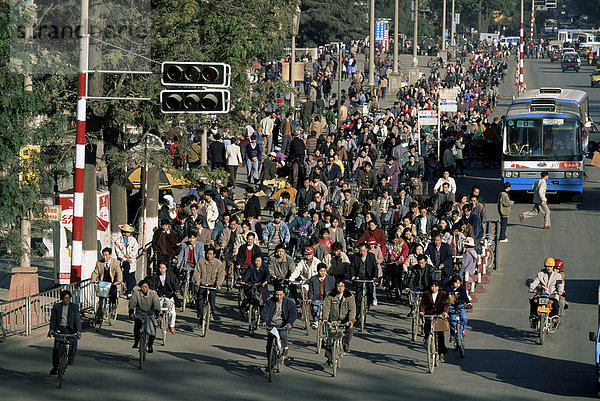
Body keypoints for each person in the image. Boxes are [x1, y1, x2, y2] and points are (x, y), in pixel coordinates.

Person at [261, 284, 297, 372]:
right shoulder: (270, 302)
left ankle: (285, 348)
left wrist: (289, 323)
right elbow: (265, 312)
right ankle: (270, 363)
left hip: (283, 324)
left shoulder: (289, 302)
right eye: (277, 294)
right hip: (272, 324)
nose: (278, 297)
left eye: (280, 294)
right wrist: (264, 321)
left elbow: (293, 314)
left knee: (283, 334)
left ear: (284, 294)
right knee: (269, 345)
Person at [322, 279, 356, 364]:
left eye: (342, 286)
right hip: (333, 320)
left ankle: (345, 344)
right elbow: (326, 308)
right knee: (330, 339)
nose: (340, 288)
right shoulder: (330, 295)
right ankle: (329, 358)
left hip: (344, 320)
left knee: (350, 329)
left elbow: (352, 309)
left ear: (344, 287)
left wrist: (351, 320)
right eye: (338, 286)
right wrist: (325, 319)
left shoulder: (349, 296)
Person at [48, 290, 81, 374]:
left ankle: (71, 358)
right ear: (62, 299)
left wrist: (78, 331)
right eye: (66, 298)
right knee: (56, 348)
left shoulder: (74, 307)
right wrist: (51, 329)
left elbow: (77, 320)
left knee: (74, 342)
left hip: (70, 329)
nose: (67, 300)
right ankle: (55, 367)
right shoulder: (57, 306)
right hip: (60, 328)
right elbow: (53, 319)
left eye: (69, 298)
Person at [419, 280, 449, 362]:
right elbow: (423, 304)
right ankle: (426, 338)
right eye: (432, 286)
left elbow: (446, 304)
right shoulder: (426, 294)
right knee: (427, 326)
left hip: (439, 316)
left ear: (438, 287)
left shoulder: (443, 294)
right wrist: (421, 311)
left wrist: (445, 312)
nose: (433, 288)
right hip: (429, 315)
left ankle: (441, 353)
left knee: (440, 335)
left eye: (435, 286)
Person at [194, 247, 226, 322]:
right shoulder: (201, 262)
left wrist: (218, 284)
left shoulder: (218, 264)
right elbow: (197, 272)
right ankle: (201, 316)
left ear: (214, 255)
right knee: (200, 301)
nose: (209, 256)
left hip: (212, 285)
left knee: (212, 300)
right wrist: (197, 281)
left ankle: (212, 311)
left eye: (211, 254)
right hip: (202, 284)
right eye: (207, 254)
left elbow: (221, 275)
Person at [147, 262, 180, 334]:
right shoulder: (155, 277)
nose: (161, 270)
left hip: (169, 295)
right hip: (159, 295)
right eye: (160, 268)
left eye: (163, 268)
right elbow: (152, 285)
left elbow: (175, 283)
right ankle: (158, 320)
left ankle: (172, 326)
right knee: (155, 308)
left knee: (172, 312)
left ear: (166, 268)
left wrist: (176, 290)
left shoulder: (171, 276)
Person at [128, 279, 160, 353]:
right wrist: (131, 310)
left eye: (146, 287)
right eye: (142, 287)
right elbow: (132, 302)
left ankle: (150, 345)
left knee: (152, 332)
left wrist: (157, 311)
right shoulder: (136, 293)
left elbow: (156, 303)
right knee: (136, 328)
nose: (144, 288)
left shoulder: (153, 294)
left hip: (150, 314)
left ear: (148, 287)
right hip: (139, 314)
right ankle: (136, 341)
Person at [350, 243, 377, 318]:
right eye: (360, 251)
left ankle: (369, 303)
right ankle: (357, 314)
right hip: (359, 277)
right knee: (358, 296)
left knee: (370, 291)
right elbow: (352, 267)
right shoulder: (355, 257)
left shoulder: (371, 256)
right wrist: (352, 276)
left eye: (364, 251)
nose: (362, 253)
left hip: (368, 277)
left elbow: (375, 267)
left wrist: (375, 277)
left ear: (367, 250)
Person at [112, 224, 139, 298]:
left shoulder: (133, 240)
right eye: (128, 232)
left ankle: (129, 292)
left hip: (132, 260)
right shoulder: (118, 242)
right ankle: (123, 283)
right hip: (123, 261)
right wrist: (125, 259)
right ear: (124, 232)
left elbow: (135, 249)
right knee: (124, 271)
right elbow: (118, 253)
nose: (129, 233)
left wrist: (130, 256)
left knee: (131, 277)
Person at [308, 263, 336, 328]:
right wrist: (310, 298)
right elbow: (311, 290)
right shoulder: (313, 279)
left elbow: (333, 290)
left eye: (324, 271)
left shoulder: (331, 279)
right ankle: (315, 321)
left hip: (327, 300)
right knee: (315, 308)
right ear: (317, 271)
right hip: (317, 299)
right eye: (321, 271)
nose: (322, 273)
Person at [443, 276, 470, 342]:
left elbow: (465, 296)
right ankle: (452, 335)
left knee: (464, 318)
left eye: (459, 283)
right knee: (453, 320)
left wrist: (468, 303)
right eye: (456, 283)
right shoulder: (447, 288)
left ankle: (463, 329)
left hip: (460, 304)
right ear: (452, 283)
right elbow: (444, 297)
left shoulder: (461, 288)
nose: (457, 285)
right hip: (451, 305)